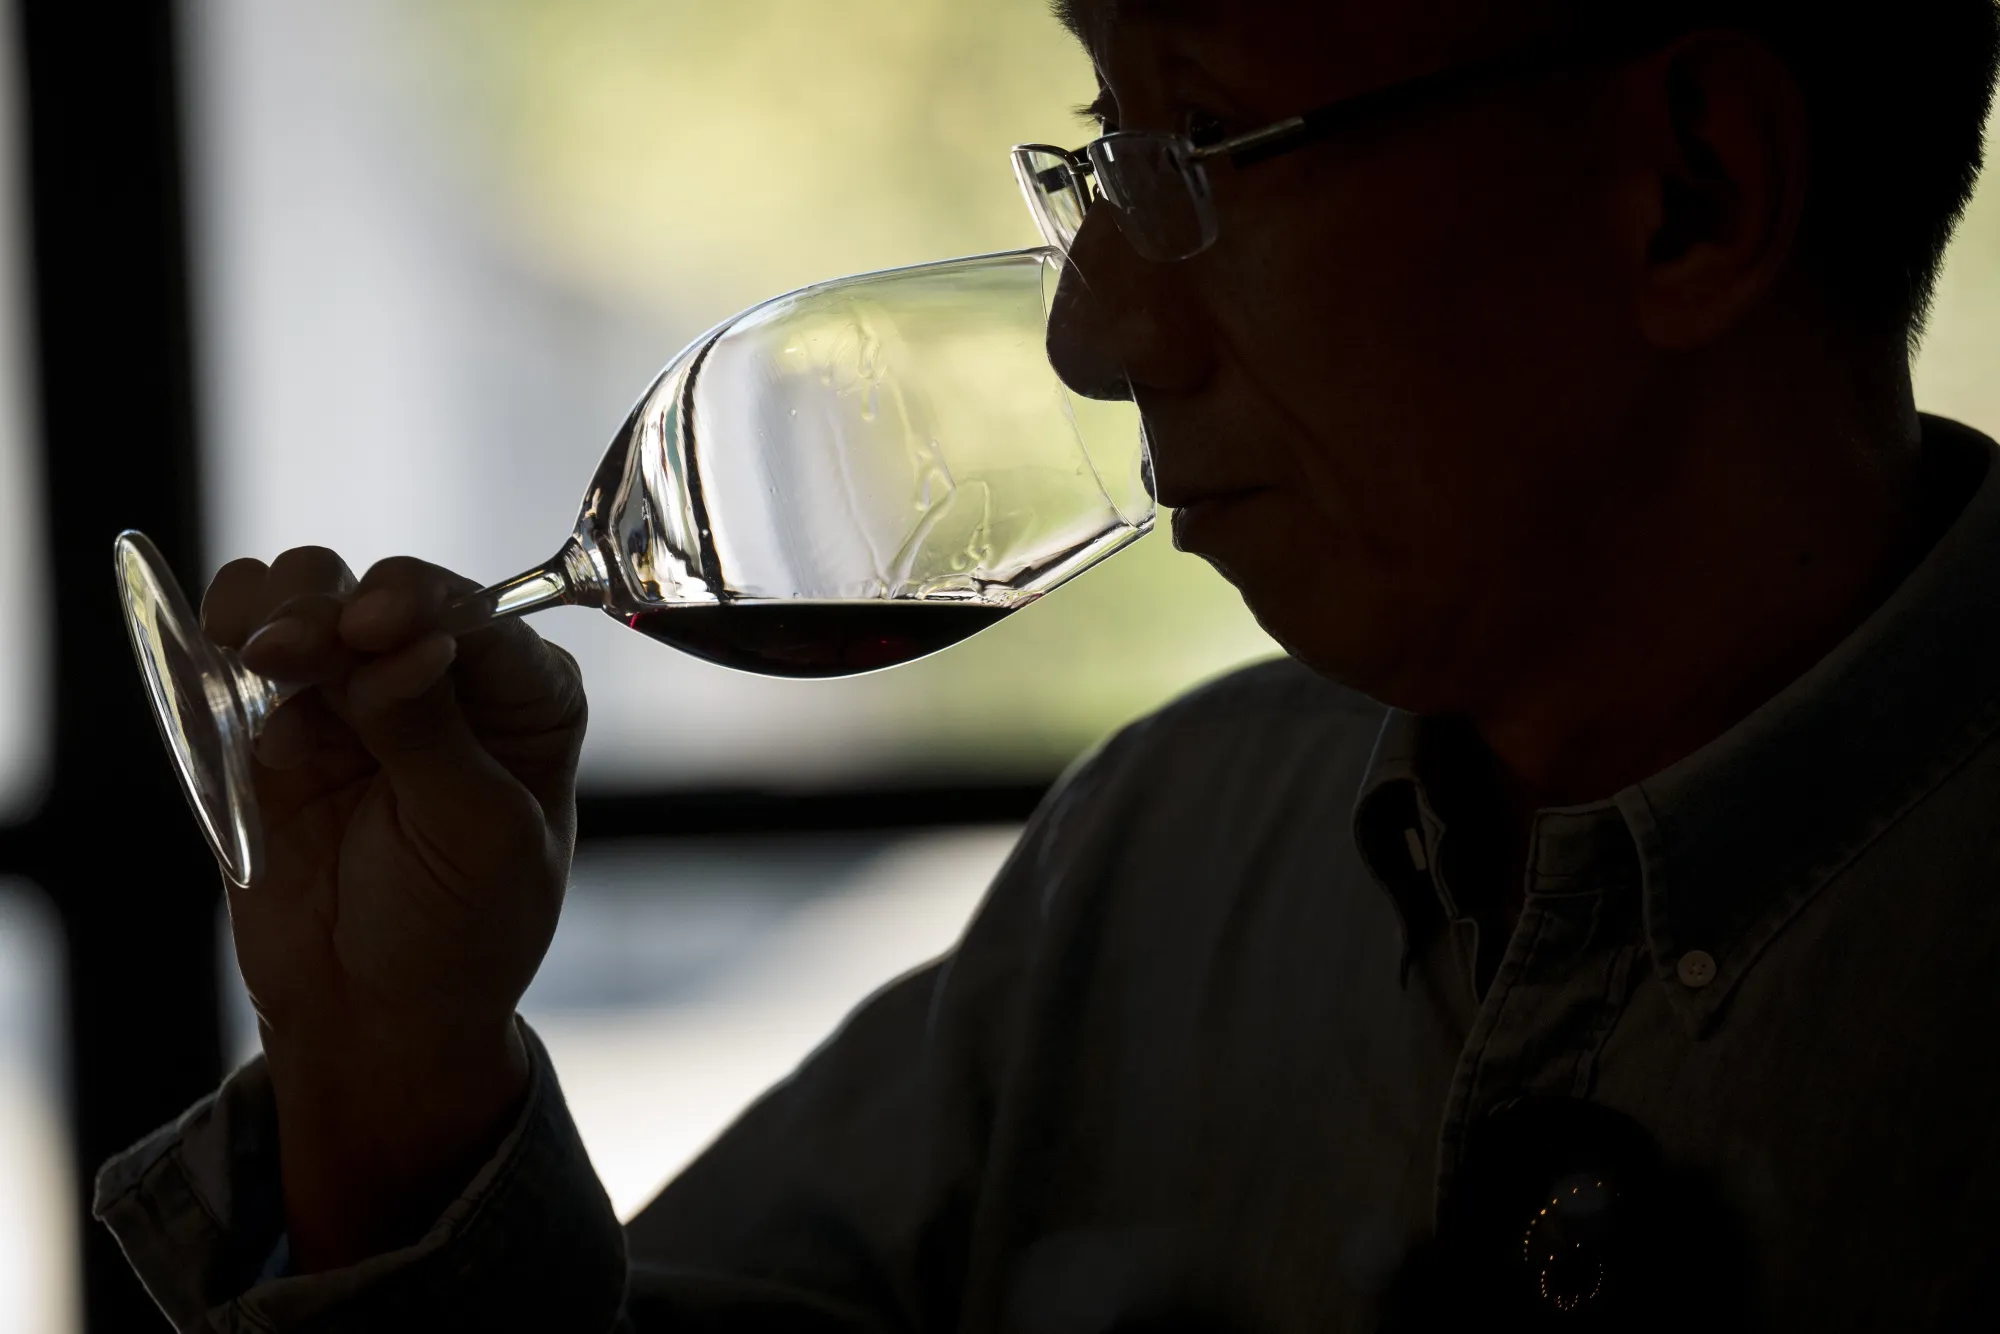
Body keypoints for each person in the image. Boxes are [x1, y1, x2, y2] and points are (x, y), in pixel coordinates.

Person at [93, 0, 2000, 1328]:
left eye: (1204, 144)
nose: (1091, 333)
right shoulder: (1162, 867)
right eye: (1107, 142)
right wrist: (395, 1088)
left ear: (1692, 187)